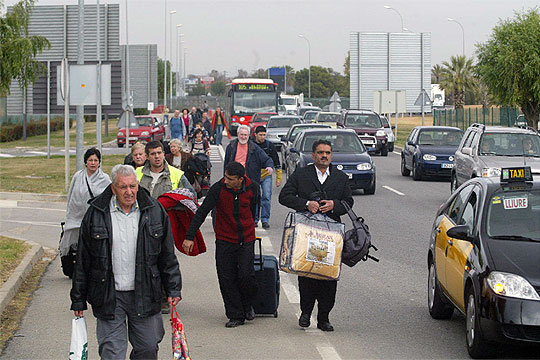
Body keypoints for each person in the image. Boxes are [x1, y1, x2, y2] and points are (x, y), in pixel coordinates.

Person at [70, 165, 182, 360]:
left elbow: (167, 255)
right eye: (123, 187)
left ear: (138, 186)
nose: (128, 192)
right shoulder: (96, 213)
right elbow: (83, 260)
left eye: (132, 186)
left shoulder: (154, 210)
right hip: (109, 295)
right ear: (113, 188)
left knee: (148, 348)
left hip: (145, 292)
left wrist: (173, 289)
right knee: (111, 353)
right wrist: (78, 298)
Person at [279, 139, 353, 332]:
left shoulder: (340, 177)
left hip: (331, 235)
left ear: (331, 155)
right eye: (320, 153)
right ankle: (305, 313)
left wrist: (334, 205)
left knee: (328, 276)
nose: (324, 156)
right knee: (307, 273)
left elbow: (348, 202)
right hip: (307, 232)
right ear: (313, 155)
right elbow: (284, 196)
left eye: (328, 153)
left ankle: (324, 318)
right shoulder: (301, 174)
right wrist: (306, 204)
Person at [183, 161, 259, 328]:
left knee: (247, 276)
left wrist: (250, 227)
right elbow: (201, 212)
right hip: (225, 239)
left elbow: (253, 210)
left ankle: (247, 305)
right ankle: (235, 315)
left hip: (246, 239)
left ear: (240, 179)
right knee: (227, 278)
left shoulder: (253, 188)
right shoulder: (218, 189)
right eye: (225, 177)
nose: (225, 181)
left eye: (230, 179)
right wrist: (190, 236)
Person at [60, 148, 111, 276]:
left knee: (92, 245)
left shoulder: (105, 179)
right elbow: (71, 195)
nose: (93, 163)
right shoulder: (78, 176)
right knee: (76, 245)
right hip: (76, 216)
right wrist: (69, 213)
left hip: (95, 218)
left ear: (99, 162)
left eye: (96, 160)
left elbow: (109, 198)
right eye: (90, 160)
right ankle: (76, 268)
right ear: (85, 162)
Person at [253, 126, 282, 229]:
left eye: (264, 135)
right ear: (255, 134)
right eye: (260, 135)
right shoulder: (251, 144)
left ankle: (265, 219)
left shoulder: (270, 145)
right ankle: (254, 219)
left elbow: (276, 161)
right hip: (253, 175)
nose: (262, 137)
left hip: (266, 175)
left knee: (266, 197)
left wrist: (278, 178)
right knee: (254, 197)